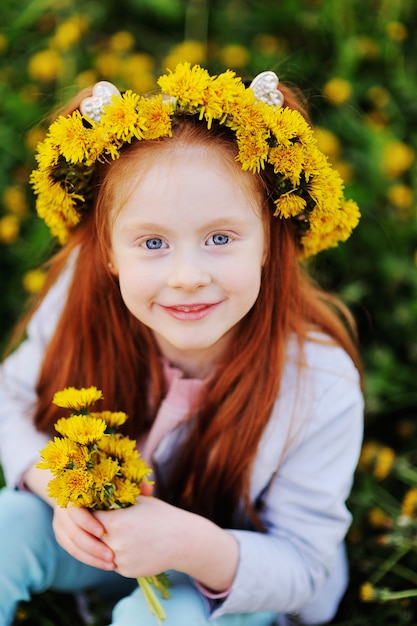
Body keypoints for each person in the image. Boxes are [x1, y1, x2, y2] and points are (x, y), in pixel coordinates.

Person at [0, 63, 363, 626]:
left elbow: (307, 574)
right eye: (152, 242)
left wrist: (192, 545)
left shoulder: (321, 382)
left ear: (268, 239)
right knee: (7, 526)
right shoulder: (81, 291)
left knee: (162, 619)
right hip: (102, 539)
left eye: (220, 237)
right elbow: (10, 399)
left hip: (233, 579)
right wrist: (59, 490)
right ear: (109, 252)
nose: (187, 275)